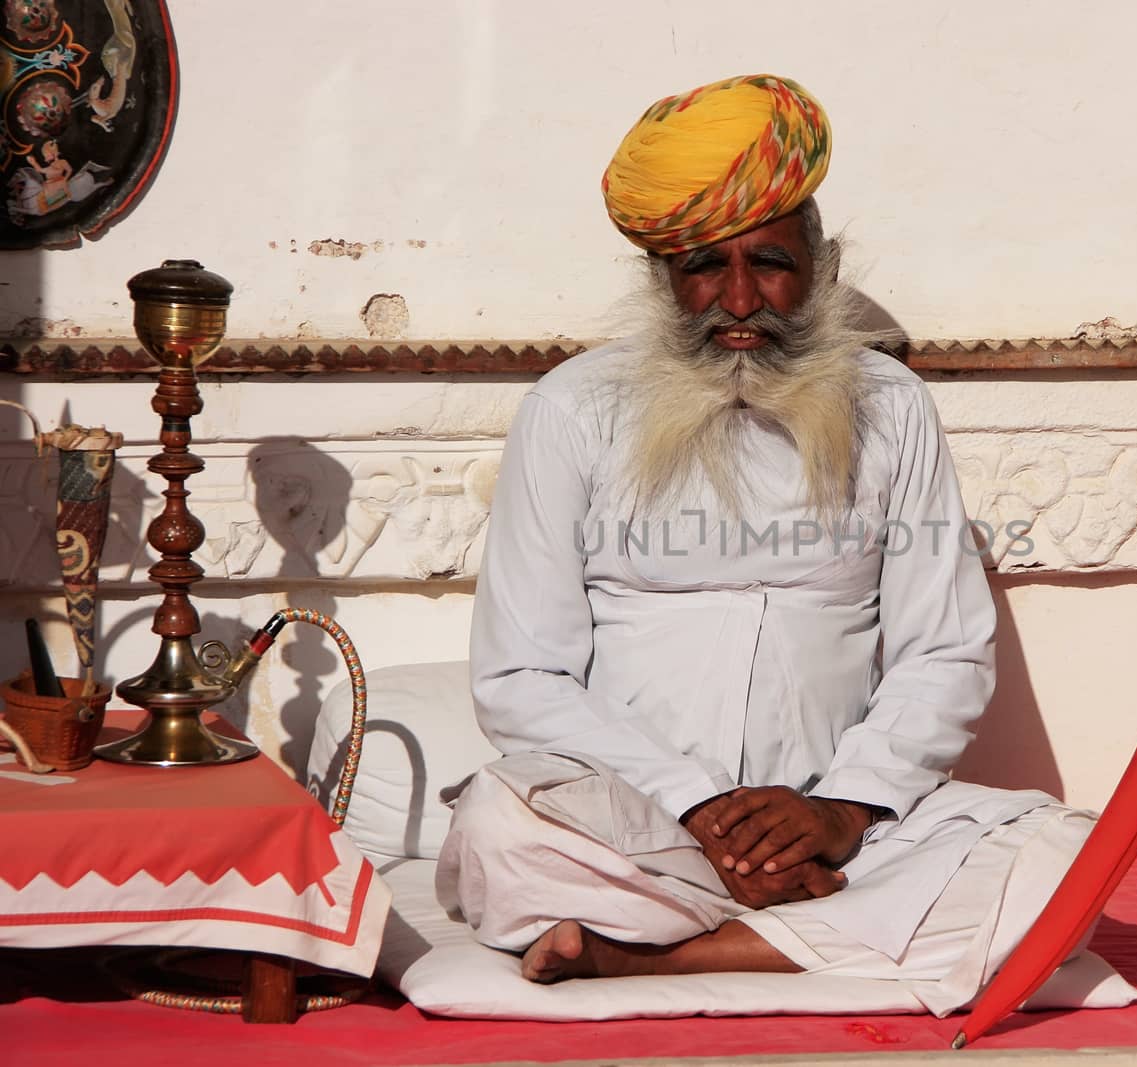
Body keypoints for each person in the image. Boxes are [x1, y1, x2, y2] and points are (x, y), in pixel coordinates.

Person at [437, 73, 1102, 1015]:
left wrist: (837, 811)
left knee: (1062, 855)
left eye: (772, 263)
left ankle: (658, 960)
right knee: (504, 829)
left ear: (818, 271)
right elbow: (521, 677)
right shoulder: (573, 409)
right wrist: (697, 806)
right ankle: (806, 937)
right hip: (641, 828)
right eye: (706, 264)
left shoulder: (892, 406)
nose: (739, 299)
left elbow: (943, 649)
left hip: (844, 835)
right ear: (663, 280)